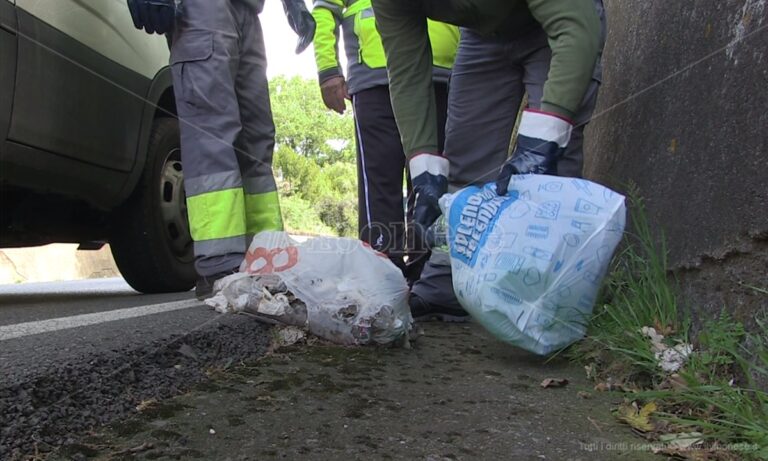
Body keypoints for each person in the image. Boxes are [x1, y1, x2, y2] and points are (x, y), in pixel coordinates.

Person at [370, 0, 607, 320]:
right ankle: (447, 282)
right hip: (482, 35)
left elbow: (576, 27)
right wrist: (423, 167)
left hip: (557, 22)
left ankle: (549, 300)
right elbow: (405, 67)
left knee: (550, 171)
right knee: (464, 163)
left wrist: (545, 136)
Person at [127, 0, 315, 299]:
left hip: (249, 12)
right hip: (200, 10)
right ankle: (220, 265)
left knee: (257, 138)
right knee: (211, 134)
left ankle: (266, 256)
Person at [311, 0, 459, 279]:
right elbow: (324, 9)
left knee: (431, 180)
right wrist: (328, 68)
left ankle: (426, 273)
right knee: (380, 182)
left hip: (443, 74)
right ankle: (382, 273)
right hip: (375, 74)